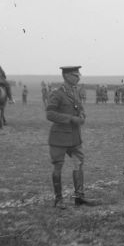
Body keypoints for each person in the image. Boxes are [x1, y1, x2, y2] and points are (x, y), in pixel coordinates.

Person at [46, 66, 98, 208]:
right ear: (67, 76)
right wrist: (70, 119)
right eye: (75, 75)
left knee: (79, 164)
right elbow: (49, 114)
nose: (78, 77)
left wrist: (82, 115)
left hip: (74, 137)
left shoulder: (75, 91)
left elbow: (79, 108)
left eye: (78, 75)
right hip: (59, 138)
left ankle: (79, 197)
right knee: (58, 167)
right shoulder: (57, 93)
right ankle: (58, 199)